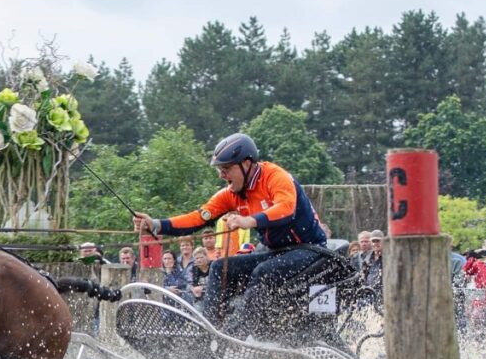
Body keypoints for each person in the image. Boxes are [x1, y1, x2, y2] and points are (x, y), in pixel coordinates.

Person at [133, 132, 335, 345]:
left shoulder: (275, 176)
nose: (222, 175)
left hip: (311, 250)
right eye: (220, 170)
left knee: (263, 271)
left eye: (226, 169)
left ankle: (238, 338)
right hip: (276, 253)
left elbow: (286, 208)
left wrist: (250, 221)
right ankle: (207, 337)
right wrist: (156, 224)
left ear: (246, 164)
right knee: (220, 266)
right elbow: (198, 217)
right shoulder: (231, 193)